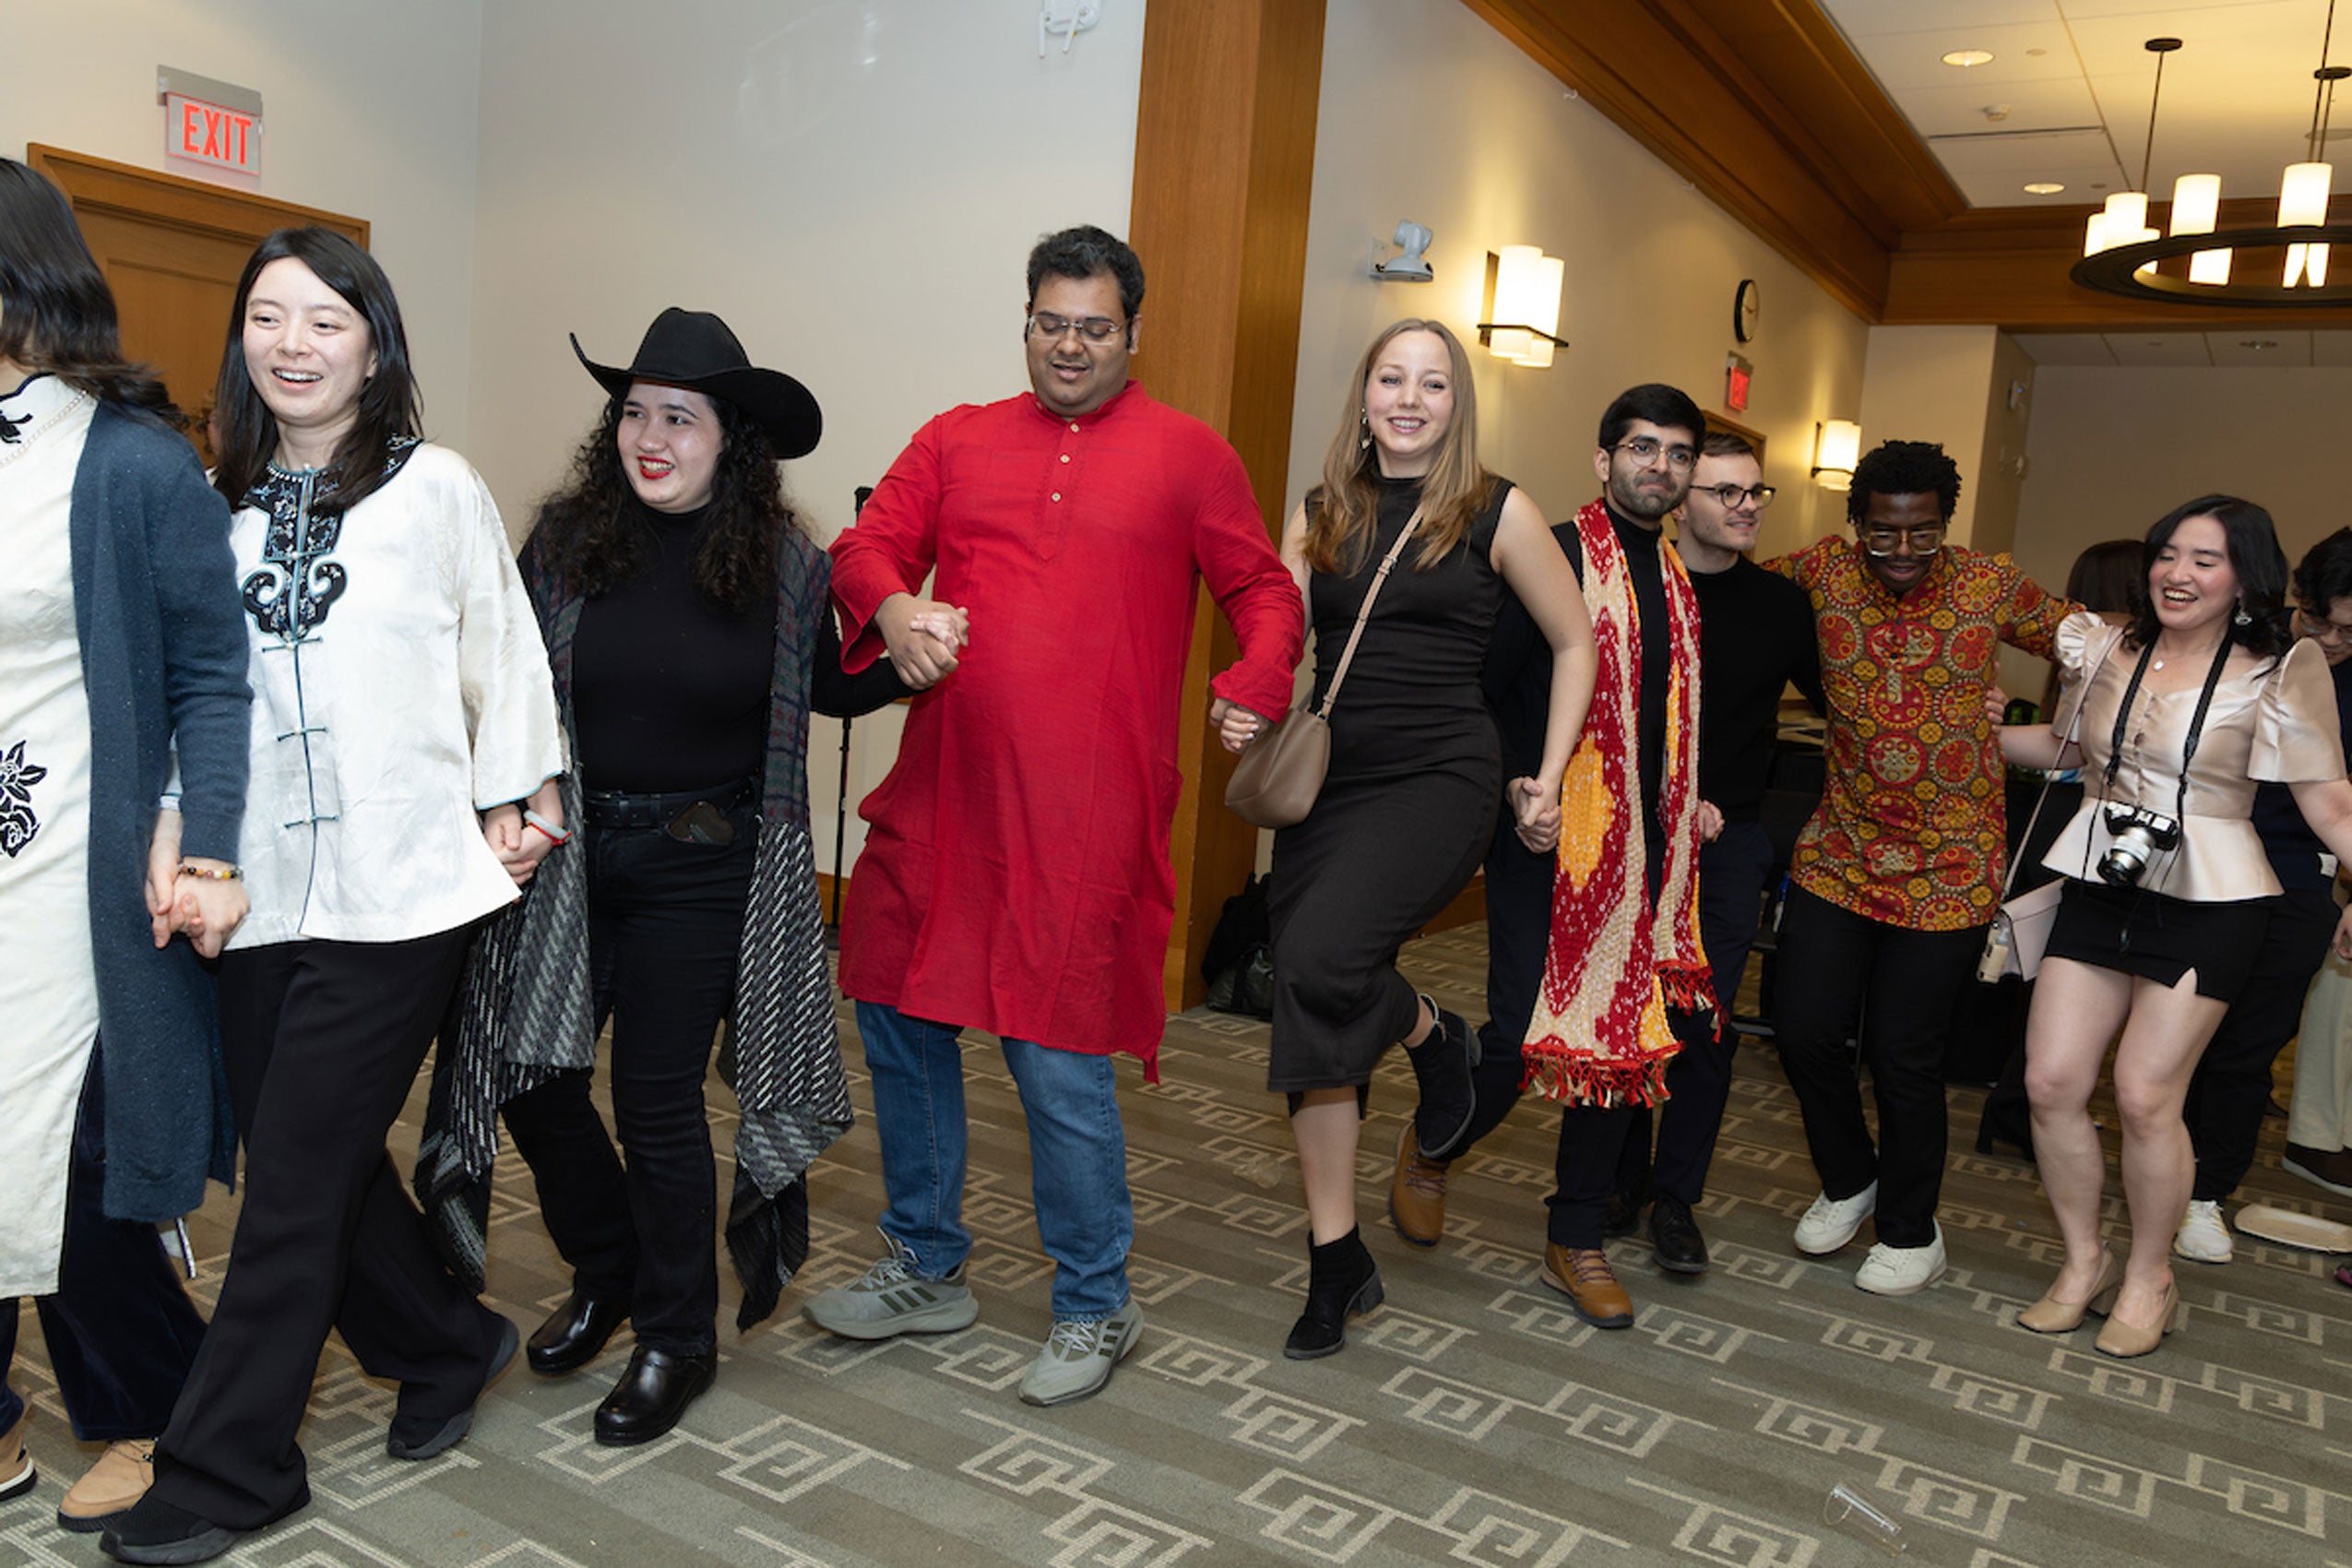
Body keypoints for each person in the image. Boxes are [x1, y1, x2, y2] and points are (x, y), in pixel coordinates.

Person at [103, 228, 564, 1565]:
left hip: (401, 892)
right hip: (251, 894)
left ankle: (228, 1464)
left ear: (374, 346)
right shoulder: (210, 503)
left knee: (291, 1187)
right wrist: (175, 840)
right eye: (267, 317)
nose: (292, 344)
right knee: (317, 1156)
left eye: (324, 319)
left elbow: (504, 651)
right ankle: (444, 1338)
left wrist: (524, 797)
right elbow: (189, 698)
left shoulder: (437, 488)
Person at [802, 226, 1301, 1407]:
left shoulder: (1190, 455)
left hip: (1085, 815)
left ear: (1133, 333)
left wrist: (1257, 678)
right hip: (945, 795)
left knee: (1054, 1056)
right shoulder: (957, 437)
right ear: (1025, 321)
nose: (1069, 346)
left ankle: (1095, 1299)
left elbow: (1261, 589)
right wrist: (899, 610)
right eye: (1050, 323)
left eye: (1094, 327)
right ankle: (927, 1261)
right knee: (898, 1014)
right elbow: (866, 546)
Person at [428, 308, 913, 1446]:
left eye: (680, 418)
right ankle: (611, 1266)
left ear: (729, 437)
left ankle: (676, 1335)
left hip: (703, 861)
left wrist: (912, 657)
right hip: (567, 855)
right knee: (531, 1076)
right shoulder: (565, 540)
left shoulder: (783, 563)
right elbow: (502, 675)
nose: (652, 438)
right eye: (636, 413)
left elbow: (827, 685)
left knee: (654, 1101)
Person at [0, 158, 249, 1538]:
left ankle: (158, 1403)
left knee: (73, 1150)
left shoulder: (136, 462)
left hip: (79, 863)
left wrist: (202, 845)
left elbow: (213, 675)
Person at [1267, 319, 1593, 1358]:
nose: (1410, 399)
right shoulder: (1320, 510)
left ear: (1458, 404)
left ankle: (1428, 1033)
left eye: (1434, 383)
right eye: (1392, 379)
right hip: (1330, 776)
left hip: (1442, 773)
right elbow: (1278, 638)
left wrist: (1547, 774)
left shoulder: (1496, 509)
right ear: (1364, 395)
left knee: (1321, 959)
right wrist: (1246, 699)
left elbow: (1575, 640)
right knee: (1311, 989)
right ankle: (1336, 1256)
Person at [1390, 384, 1714, 1330]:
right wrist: (1514, 788)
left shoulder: (1680, 582)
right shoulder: (1558, 552)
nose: (1660, 466)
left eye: (1678, 453)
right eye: (1642, 447)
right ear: (1604, 460)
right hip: (1546, 836)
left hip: (1646, 852)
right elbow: (1482, 690)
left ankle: (1575, 1235)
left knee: (1616, 1035)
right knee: (1521, 1033)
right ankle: (1437, 1138)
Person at [2000, 496, 2352, 1358]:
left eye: (2205, 559)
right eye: (2168, 554)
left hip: (2212, 896)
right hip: (2100, 877)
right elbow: (2068, 751)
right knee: (2050, 1082)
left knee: (2144, 1095)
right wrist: (1962, 734)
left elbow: (2330, 802)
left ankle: (2149, 1275)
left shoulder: (2281, 668)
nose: (2177, 573)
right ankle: (2084, 1262)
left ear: (2245, 578)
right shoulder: (2103, 645)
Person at [1770, 440, 2070, 1297]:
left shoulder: (1988, 584)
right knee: (1803, 1028)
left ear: (1945, 523)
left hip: (1951, 865)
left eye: (1923, 533)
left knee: (1904, 1056)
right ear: (1857, 523)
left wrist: (2046, 724)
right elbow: (1730, 596)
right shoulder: (1820, 572)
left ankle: (1911, 1230)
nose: (1903, 551)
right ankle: (1849, 1176)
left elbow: (2086, 644)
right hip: (1840, 852)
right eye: (1884, 532)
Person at [1609, 430, 1821, 1273]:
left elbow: (1845, 702)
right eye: (1726, 492)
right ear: (1680, 500)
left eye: (1755, 492)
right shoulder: (1636, 587)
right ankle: (1621, 1176)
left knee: (1702, 1025)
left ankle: (1675, 1198)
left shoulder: (1781, 606)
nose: (1746, 508)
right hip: (1631, 834)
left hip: (1730, 842)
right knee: (1628, 1012)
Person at [2170, 527, 2352, 1260]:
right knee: (2179, 1037)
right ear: (2297, 596)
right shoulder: (2242, 642)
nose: (2333, 642)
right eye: (2322, 621)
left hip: (2300, 872)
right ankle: (2164, 1171)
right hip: (2207, 856)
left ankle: (2206, 1194)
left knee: (2248, 1048)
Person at [1972, 539, 2144, 1161]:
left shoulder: (2090, 648)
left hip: (2069, 819)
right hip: (2087, 822)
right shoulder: (2108, 650)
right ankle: (2023, 1106)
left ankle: (2020, 1106)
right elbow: (2069, 746)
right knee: (2070, 973)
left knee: (2053, 974)